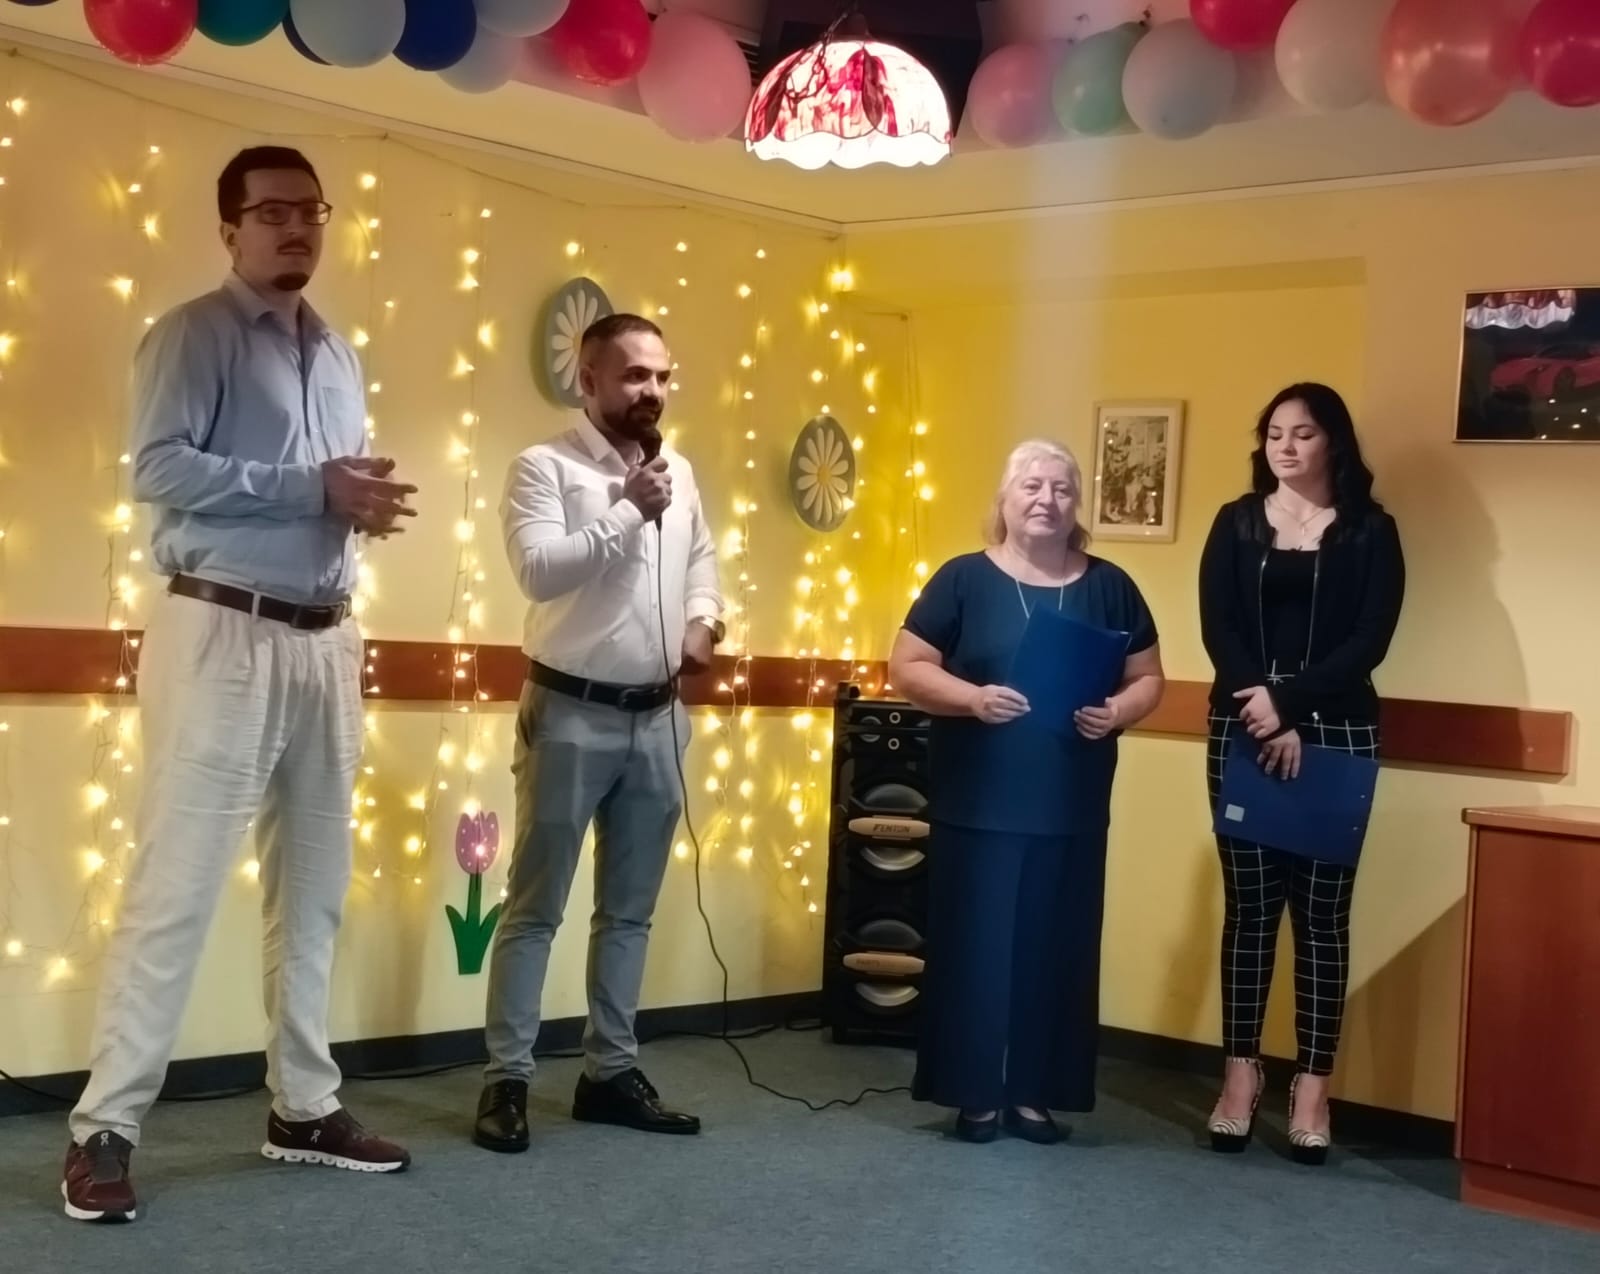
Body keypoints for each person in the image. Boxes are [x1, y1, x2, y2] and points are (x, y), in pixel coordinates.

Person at [62, 147, 419, 1223]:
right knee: (174, 888)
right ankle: (103, 1127)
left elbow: (326, 488)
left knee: (313, 889)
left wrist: (354, 507)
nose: (296, 227)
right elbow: (157, 467)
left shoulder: (339, 354)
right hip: (220, 626)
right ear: (230, 230)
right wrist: (313, 487)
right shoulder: (192, 333)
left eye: (311, 210)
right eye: (271, 212)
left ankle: (304, 1105)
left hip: (326, 640)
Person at [473, 313, 724, 1153]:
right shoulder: (542, 467)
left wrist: (705, 621)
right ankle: (507, 1079)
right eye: (633, 375)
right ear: (588, 380)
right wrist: (625, 511)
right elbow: (539, 571)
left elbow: (701, 561)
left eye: (662, 375)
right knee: (535, 907)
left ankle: (610, 1073)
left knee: (629, 913)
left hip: (659, 717)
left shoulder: (679, 472)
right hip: (570, 710)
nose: (652, 390)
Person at [886, 439, 1164, 1144]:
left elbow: (1148, 678)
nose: (1047, 500)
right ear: (1004, 500)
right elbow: (907, 667)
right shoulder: (962, 579)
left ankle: (1037, 1095)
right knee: (974, 951)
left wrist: (1118, 712)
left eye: (1062, 488)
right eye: (1032, 486)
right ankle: (974, 1095)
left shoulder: (1111, 586)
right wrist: (973, 699)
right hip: (978, 802)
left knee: (1054, 949)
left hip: (1069, 804)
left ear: (1078, 505)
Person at [1198, 382, 1404, 1165]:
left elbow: (1370, 639)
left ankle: (1313, 1088)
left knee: (1322, 916)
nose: (1285, 447)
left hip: (1337, 730)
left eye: (1304, 433)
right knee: (1250, 912)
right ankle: (1240, 1075)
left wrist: (1289, 706)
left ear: (1334, 443)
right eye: (1275, 433)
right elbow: (1219, 625)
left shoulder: (1372, 531)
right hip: (1242, 724)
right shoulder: (1236, 522)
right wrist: (1265, 709)